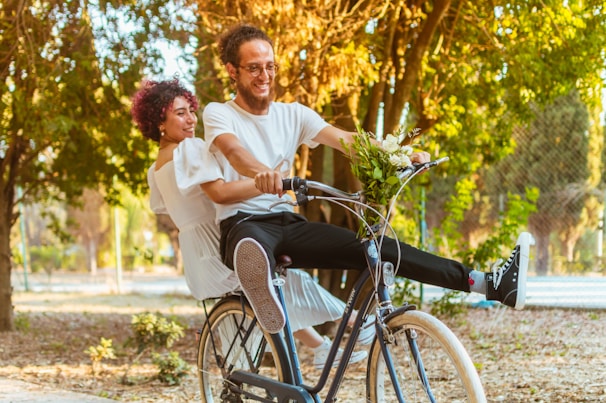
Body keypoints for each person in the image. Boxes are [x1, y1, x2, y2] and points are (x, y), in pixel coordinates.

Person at [200, 24, 534, 335]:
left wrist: (399, 155)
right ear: (233, 71)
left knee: (379, 250)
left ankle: (487, 283)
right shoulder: (219, 112)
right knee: (252, 244)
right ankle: (259, 279)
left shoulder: (294, 114)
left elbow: (349, 141)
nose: (264, 75)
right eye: (254, 67)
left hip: (289, 222)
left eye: (270, 66)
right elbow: (234, 152)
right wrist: (262, 173)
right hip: (243, 223)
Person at [130, 78, 372, 369]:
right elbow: (219, 193)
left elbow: (175, 208)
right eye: (180, 113)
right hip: (219, 248)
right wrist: (269, 185)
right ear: (159, 122)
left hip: (198, 259)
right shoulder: (191, 149)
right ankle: (351, 324)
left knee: (262, 303)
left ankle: (305, 353)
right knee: (287, 280)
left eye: (191, 111)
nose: (192, 119)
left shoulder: (154, 169)